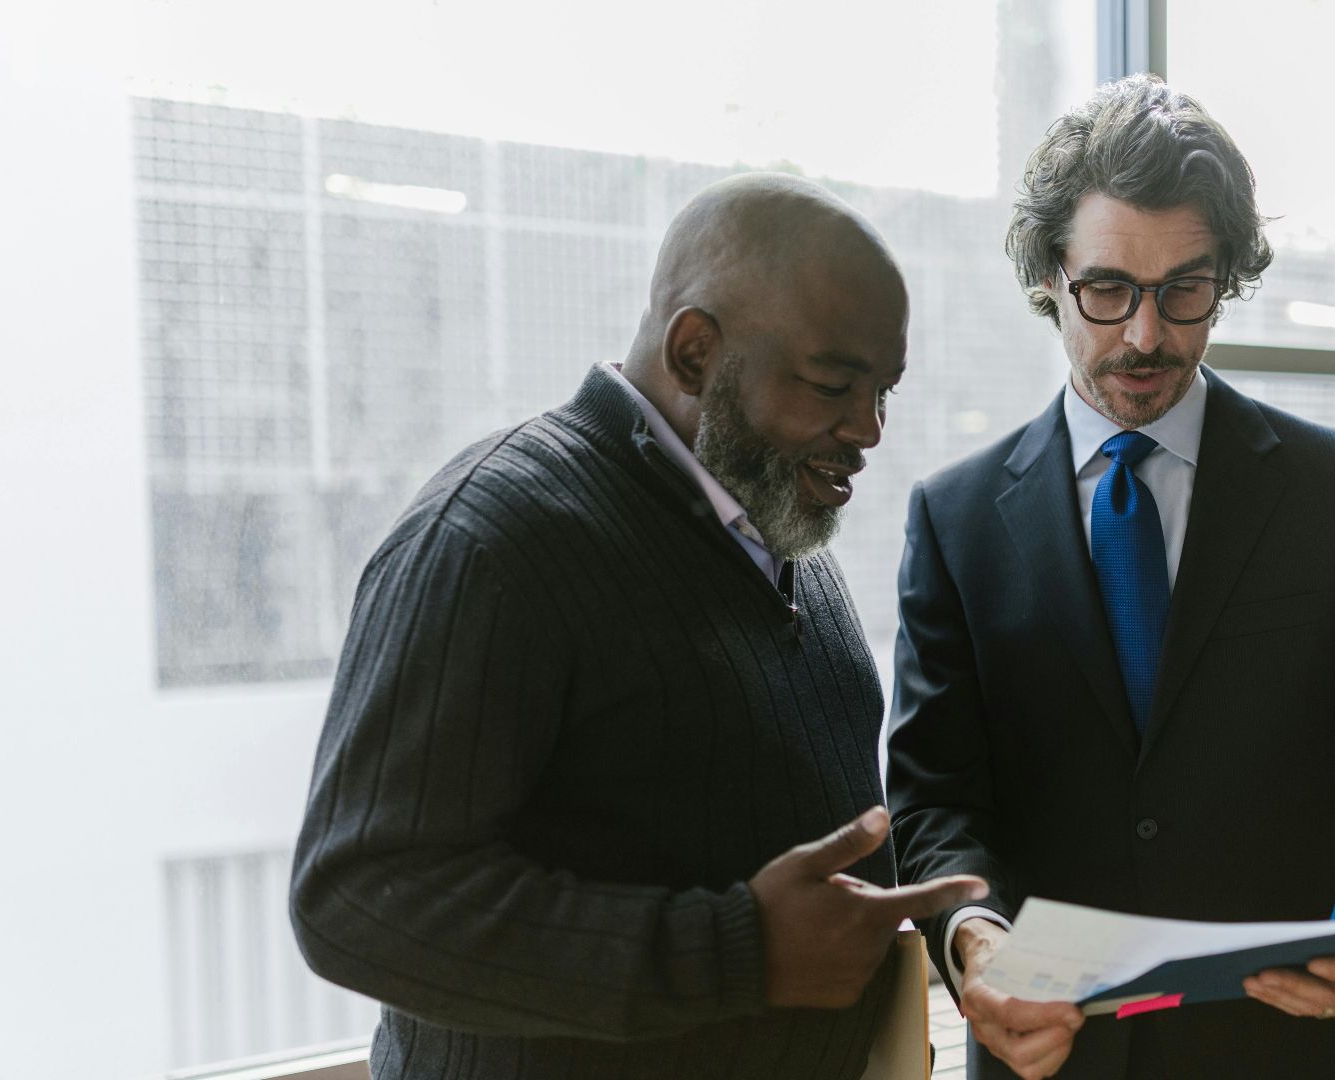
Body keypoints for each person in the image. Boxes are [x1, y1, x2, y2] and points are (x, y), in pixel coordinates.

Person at [291, 172, 987, 1080]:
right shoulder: (491, 540)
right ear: (697, 351)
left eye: (884, 390)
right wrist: (739, 950)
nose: (870, 429)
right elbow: (355, 904)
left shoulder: (779, 534)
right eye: (832, 384)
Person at [887, 75, 1335, 1079]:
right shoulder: (954, 521)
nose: (1146, 336)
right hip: (1051, 1056)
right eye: (1107, 290)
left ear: (1226, 279)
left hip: (1285, 1049)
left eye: (1185, 291)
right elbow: (936, 798)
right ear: (1048, 277)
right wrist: (974, 940)